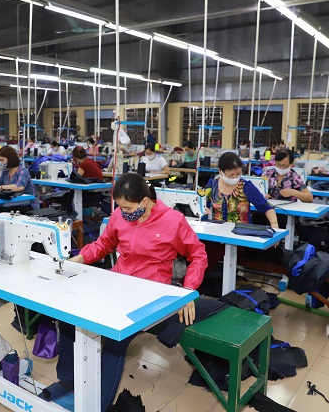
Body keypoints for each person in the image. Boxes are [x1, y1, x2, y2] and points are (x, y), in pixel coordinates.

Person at [44, 173, 207, 411]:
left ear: (144, 201)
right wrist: (81, 257)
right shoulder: (120, 216)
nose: (122, 212)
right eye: (119, 207)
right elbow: (104, 244)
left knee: (114, 341)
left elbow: (198, 255)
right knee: (70, 319)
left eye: (127, 207)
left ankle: (98, 406)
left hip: (150, 294)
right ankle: (68, 381)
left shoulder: (173, 221)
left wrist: (189, 290)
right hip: (118, 284)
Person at [207, 152, 278, 225]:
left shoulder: (246, 187)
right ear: (220, 171)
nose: (235, 177)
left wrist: (274, 224)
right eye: (231, 175)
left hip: (242, 230)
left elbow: (266, 207)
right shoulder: (213, 185)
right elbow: (203, 206)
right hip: (217, 229)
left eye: (238, 174)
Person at [0, 146, 37, 211]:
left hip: (25, 205)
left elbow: (19, 187)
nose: (1, 163)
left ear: (10, 159)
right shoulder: (6, 171)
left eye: (2, 160)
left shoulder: (23, 171)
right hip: (10, 203)